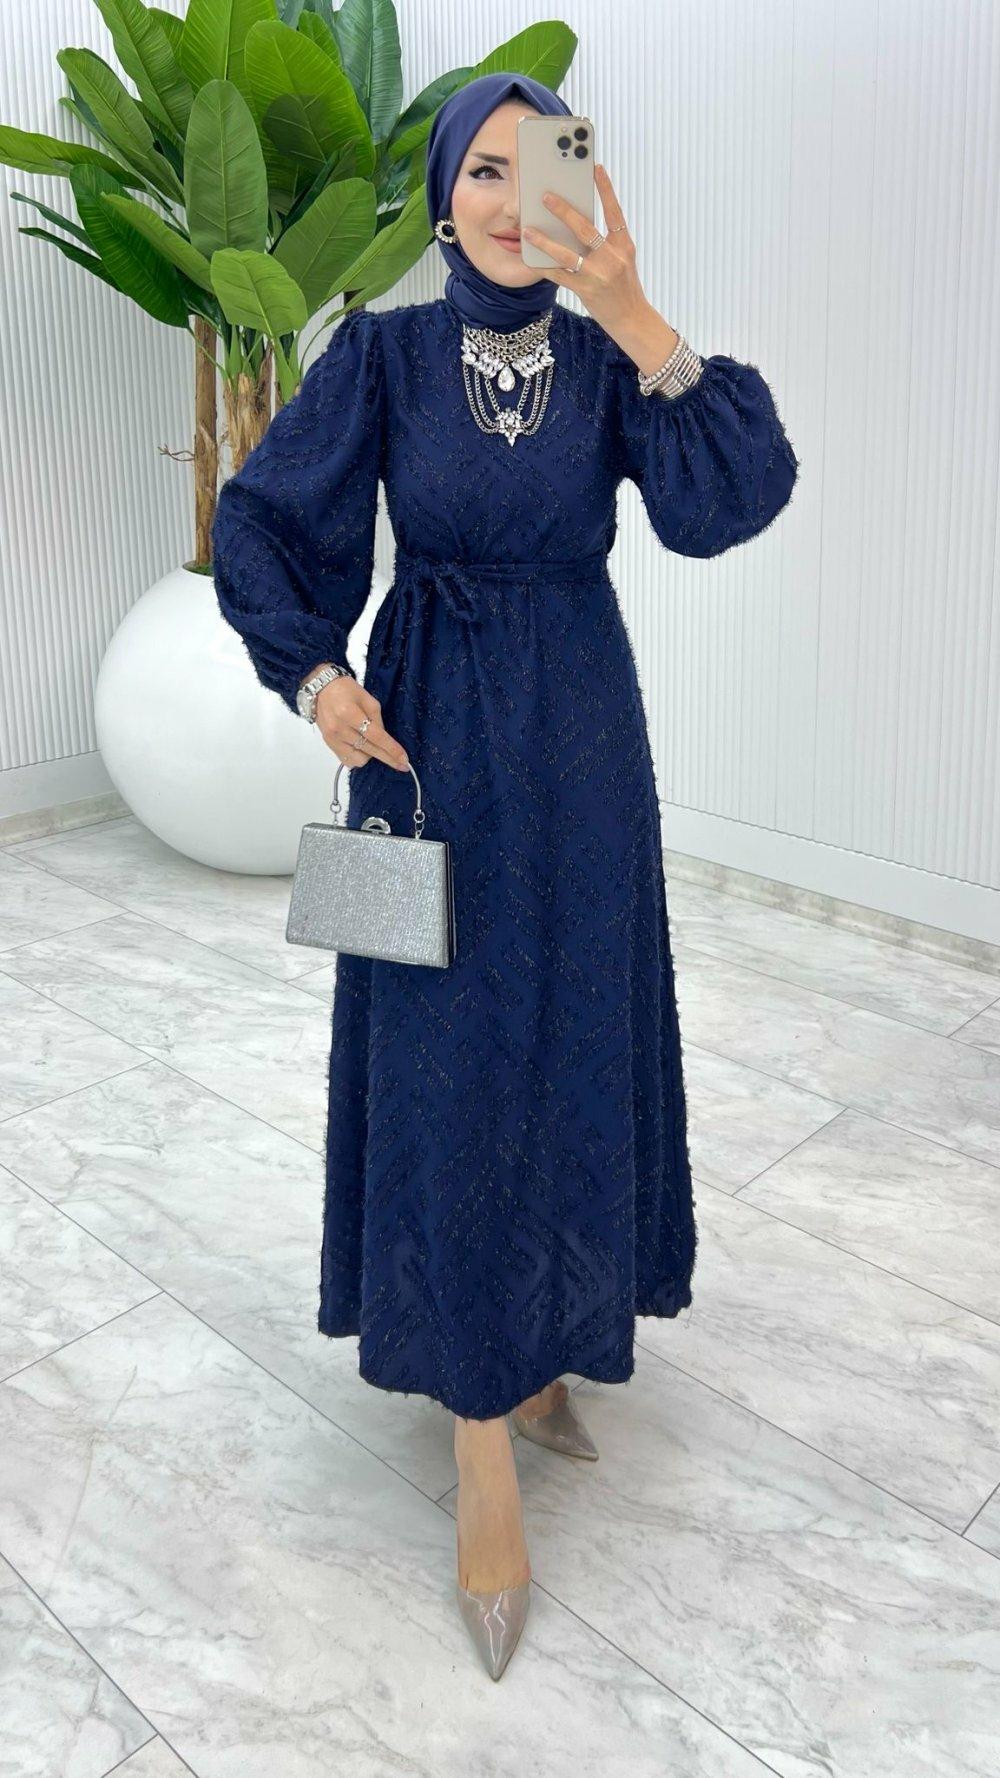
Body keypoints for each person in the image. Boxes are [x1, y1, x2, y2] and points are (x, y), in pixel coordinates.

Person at [210, 71, 799, 1681]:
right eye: (478, 168)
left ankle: (544, 1350)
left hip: (584, 749)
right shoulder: (387, 358)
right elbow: (260, 519)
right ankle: (479, 1440)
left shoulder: (609, 361)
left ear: (576, 188)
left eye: (535, 166)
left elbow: (733, 498)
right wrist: (316, 677)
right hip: (429, 748)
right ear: (441, 199)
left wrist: (636, 309)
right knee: (453, 1066)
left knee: (570, 1038)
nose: (503, 196)